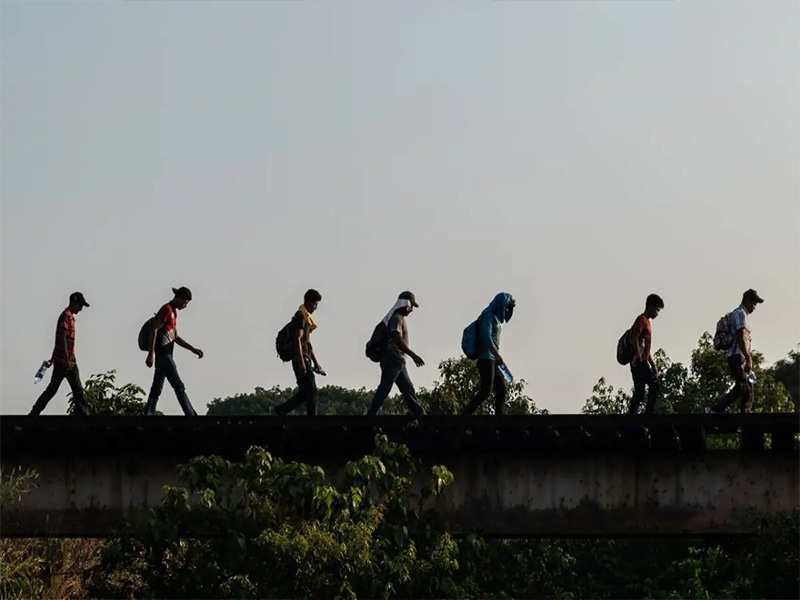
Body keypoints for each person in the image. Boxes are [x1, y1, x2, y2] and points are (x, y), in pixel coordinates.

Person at [30, 292, 93, 416]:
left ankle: (84, 417)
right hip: (65, 362)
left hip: (69, 361)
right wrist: (64, 360)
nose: (81, 309)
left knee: (77, 391)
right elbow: (62, 338)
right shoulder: (65, 317)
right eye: (80, 305)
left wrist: (54, 359)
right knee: (55, 390)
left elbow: (59, 341)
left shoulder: (71, 318)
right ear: (74, 303)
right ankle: (34, 413)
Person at [144, 287, 203, 416]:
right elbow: (154, 330)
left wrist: (192, 349)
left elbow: (175, 337)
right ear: (180, 298)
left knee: (156, 389)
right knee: (179, 386)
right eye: (185, 302)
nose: (185, 305)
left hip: (165, 355)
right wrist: (150, 354)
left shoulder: (173, 313)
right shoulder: (166, 310)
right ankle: (190, 414)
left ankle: (149, 413)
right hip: (163, 355)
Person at [366, 291, 426, 416]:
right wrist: (413, 355)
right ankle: (371, 417)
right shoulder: (396, 318)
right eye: (412, 306)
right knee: (384, 389)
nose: (411, 310)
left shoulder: (397, 318)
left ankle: (422, 417)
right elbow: (397, 339)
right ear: (406, 304)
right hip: (393, 359)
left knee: (409, 391)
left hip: (399, 361)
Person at [708, 289, 764, 414]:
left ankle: (745, 418)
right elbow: (741, 335)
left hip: (739, 356)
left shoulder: (741, 314)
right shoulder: (740, 314)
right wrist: (748, 358)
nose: (754, 307)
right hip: (737, 355)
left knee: (748, 388)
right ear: (747, 301)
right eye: (754, 303)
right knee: (742, 386)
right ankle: (716, 409)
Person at [274, 289, 326, 416]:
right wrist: (302, 362)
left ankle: (280, 410)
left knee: (305, 392)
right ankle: (312, 420)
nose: (316, 308)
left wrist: (316, 363)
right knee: (312, 389)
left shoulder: (307, 320)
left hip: (304, 358)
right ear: (308, 301)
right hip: (300, 359)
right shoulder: (301, 316)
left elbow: (307, 344)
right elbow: (297, 339)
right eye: (315, 304)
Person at [462, 292, 516, 415]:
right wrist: (496, 355)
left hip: (494, 360)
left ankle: (500, 417)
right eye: (507, 306)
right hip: (486, 358)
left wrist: (496, 357)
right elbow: (486, 337)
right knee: (486, 391)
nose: (507, 309)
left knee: (501, 390)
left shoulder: (496, 319)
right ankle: (465, 415)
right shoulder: (487, 316)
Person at [628, 294, 664, 415]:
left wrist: (652, 364)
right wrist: (638, 356)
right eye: (657, 309)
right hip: (639, 362)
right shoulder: (641, 320)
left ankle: (631, 416)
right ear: (650, 306)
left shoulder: (647, 323)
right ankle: (649, 414)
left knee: (640, 391)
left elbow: (646, 349)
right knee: (654, 385)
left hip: (641, 361)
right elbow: (634, 337)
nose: (657, 313)